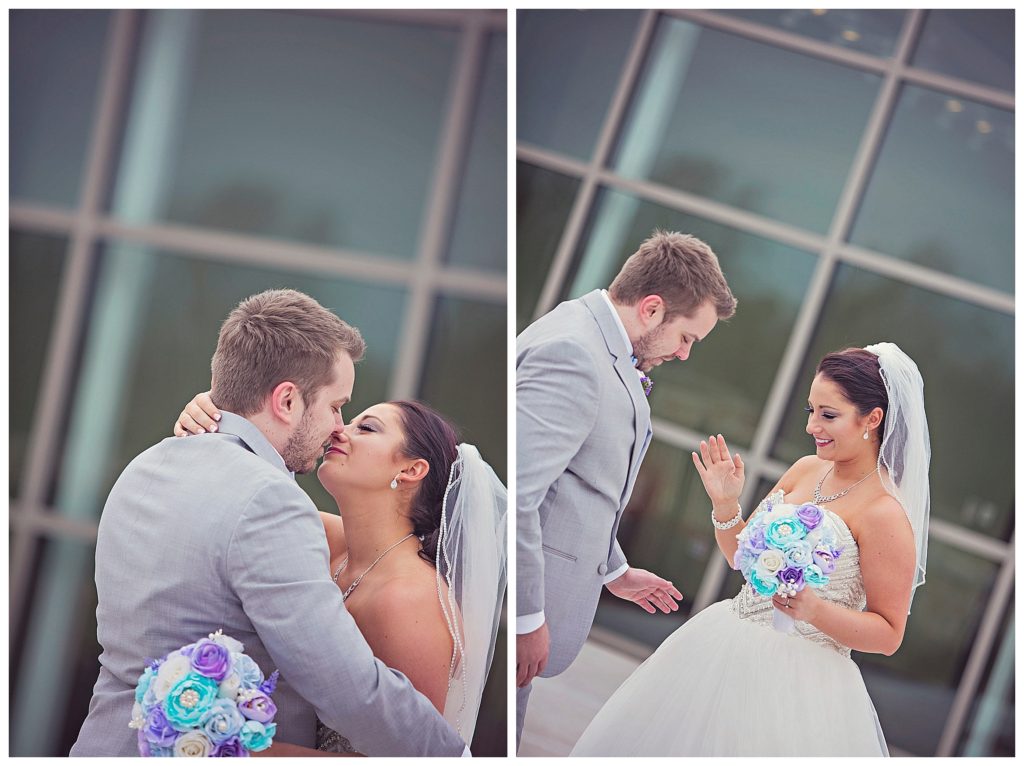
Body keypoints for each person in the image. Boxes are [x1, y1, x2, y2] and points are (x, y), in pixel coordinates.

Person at [71, 289, 468, 757]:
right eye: (337, 405)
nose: (337, 427)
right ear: (286, 401)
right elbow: (347, 687)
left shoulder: (146, 464)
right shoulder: (269, 502)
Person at [570, 343, 929, 756]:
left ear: (873, 419)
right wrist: (726, 505)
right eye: (810, 411)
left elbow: (888, 634)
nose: (813, 426)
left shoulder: (885, 514)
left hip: (802, 683)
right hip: (725, 643)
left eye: (829, 415)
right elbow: (743, 560)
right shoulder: (806, 469)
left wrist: (815, 611)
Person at [175, 395, 507, 753]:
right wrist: (209, 418)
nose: (337, 430)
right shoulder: (317, 535)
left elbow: (412, 752)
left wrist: (239, 752)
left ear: (410, 470)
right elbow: (227, 492)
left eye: (365, 428)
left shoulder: (411, 600)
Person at [516, 230, 737, 748]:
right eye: (687, 338)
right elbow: (522, 496)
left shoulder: (595, 341)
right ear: (653, 308)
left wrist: (611, 569)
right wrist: (526, 617)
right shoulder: (574, 353)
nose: (684, 355)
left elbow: (577, 486)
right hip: (515, 613)